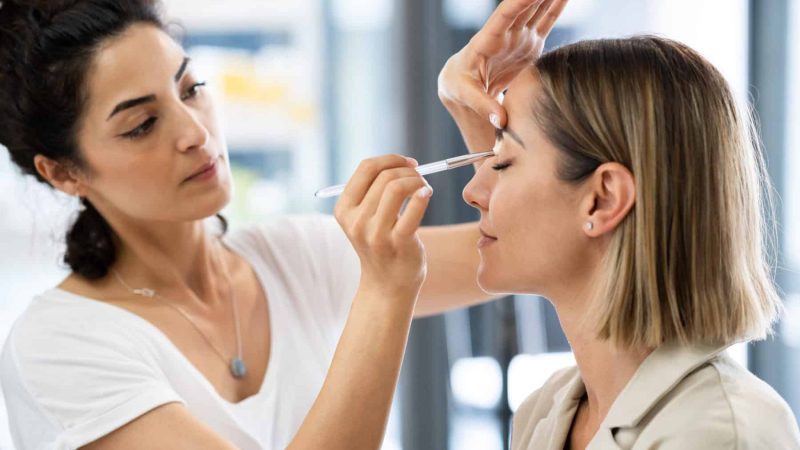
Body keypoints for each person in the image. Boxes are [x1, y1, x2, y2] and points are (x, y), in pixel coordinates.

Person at [0, 0, 571, 448]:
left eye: (191, 89)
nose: (195, 132)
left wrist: (479, 111)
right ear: (64, 171)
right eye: (143, 123)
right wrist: (385, 288)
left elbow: (537, 243)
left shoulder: (295, 253)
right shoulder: (59, 344)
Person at [437, 2, 800, 448]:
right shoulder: (546, 411)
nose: (470, 194)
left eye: (504, 161)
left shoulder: (720, 431)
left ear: (603, 199)